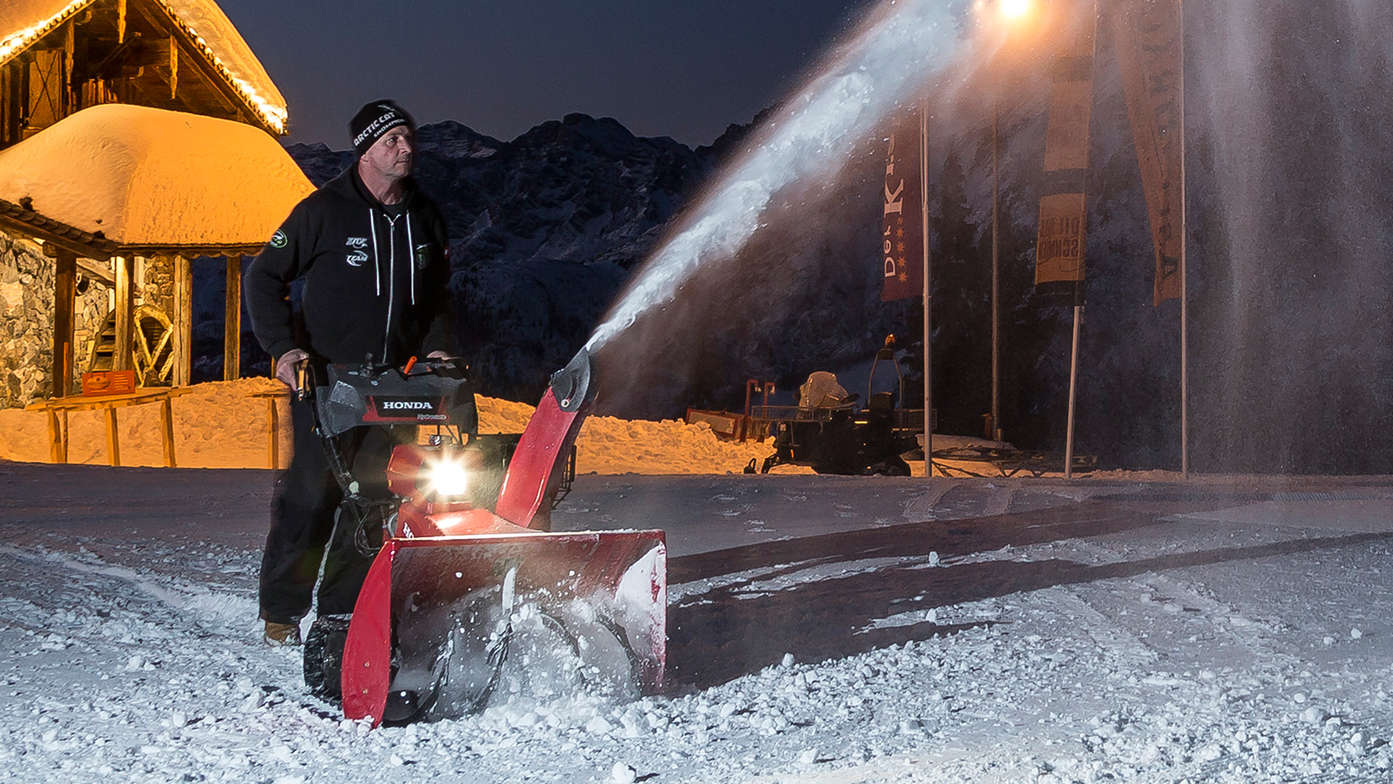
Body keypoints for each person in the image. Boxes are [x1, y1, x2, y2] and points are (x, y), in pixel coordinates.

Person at [245, 100, 452, 646]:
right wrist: (285, 351)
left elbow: (439, 297)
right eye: (393, 141)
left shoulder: (425, 216)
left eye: (409, 138)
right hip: (326, 383)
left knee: (375, 496)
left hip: (396, 386)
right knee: (312, 494)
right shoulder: (323, 212)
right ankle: (283, 611)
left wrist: (438, 350)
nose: (406, 149)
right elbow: (263, 277)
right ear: (365, 150)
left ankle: (340, 611)